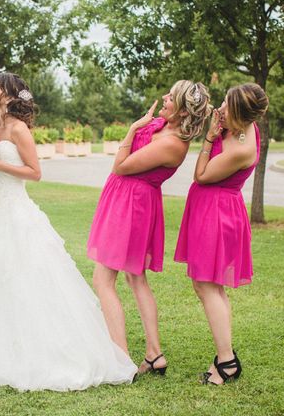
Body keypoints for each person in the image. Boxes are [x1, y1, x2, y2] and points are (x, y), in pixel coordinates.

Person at [0, 73, 137, 391]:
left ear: (11, 96)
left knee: (19, 277)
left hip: (15, 210)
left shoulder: (18, 129)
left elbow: (34, 172)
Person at [86, 80, 211, 375]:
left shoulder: (172, 144)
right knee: (135, 277)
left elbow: (121, 165)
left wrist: (131, 130)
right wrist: (143, 126)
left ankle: (120, 360)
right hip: (126, 199)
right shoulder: (160, 125)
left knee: (103, 279)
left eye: (172, 97)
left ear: (182, 111)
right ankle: (154, 354)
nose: (164, 97)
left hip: (132, 205)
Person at [174, 83, 268, 385]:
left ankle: (227, 361)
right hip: (214, 210)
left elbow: (201, 175)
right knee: (212, 287)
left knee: (206, 287)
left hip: (217, 213)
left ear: (242, 115)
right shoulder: (242, 128)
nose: (222, 110)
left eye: (228, 106)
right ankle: (225, 356)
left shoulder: (241, 148)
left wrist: (209, 139)